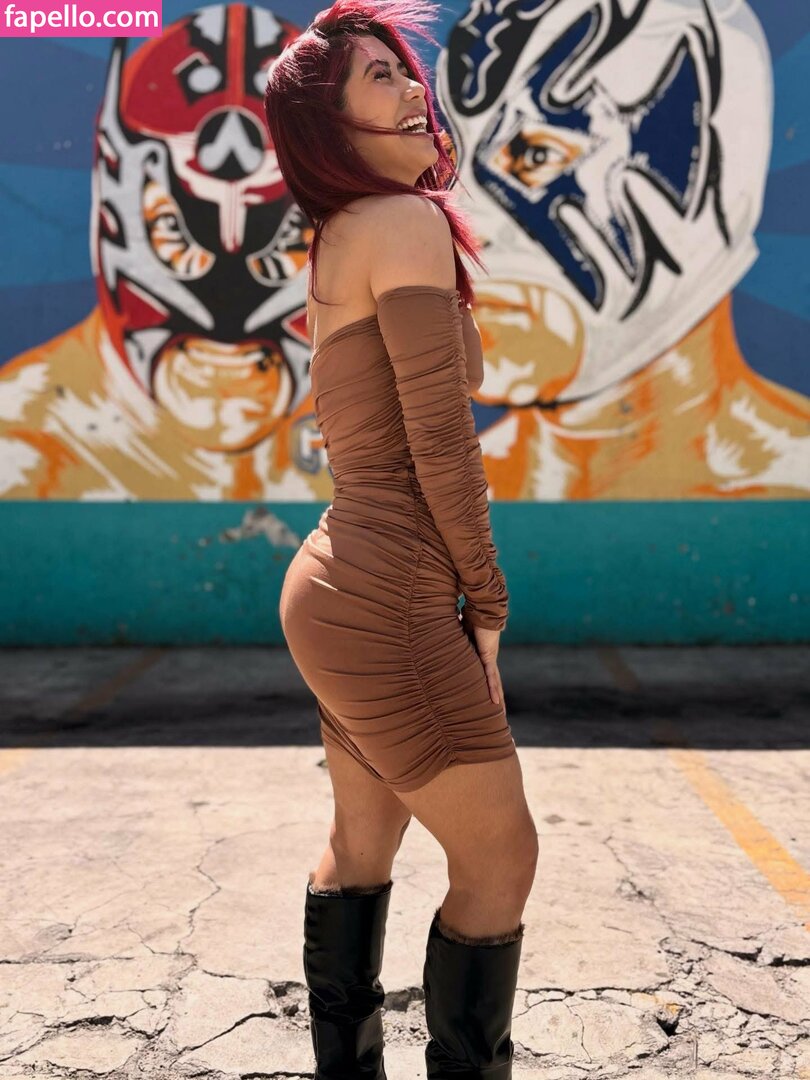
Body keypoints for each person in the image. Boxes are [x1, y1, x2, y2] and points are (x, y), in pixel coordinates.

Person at [263, 1, 539, 1076]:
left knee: (360, 846)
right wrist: (488, 604)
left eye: (404, 69)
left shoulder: (348, 231)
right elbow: (441, 446)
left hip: (339, 580)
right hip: (389, 591)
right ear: (330, 126)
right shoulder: (399, 224)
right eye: (377, 78)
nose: (412, 87)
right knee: (500, 860)